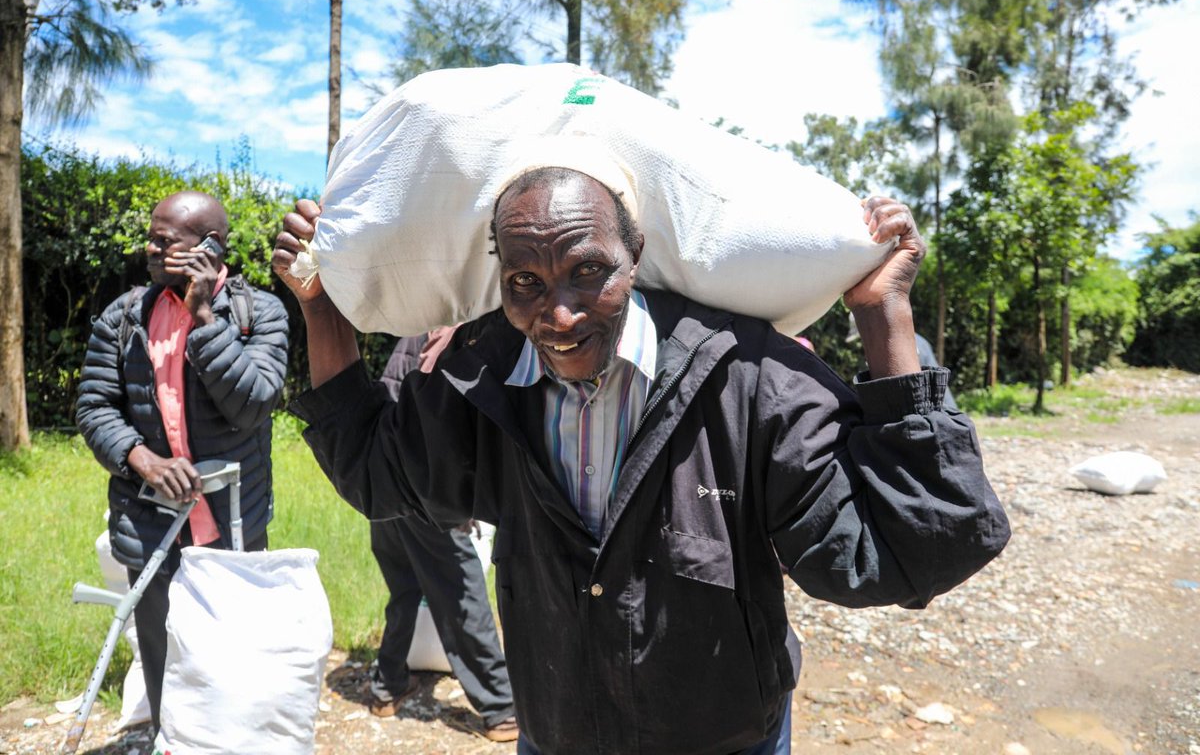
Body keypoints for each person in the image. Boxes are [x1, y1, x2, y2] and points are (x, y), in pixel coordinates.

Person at [275, 167, 1009, 755]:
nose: (557, 315)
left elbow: (902, 551)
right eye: (525, 281)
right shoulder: (483, 379)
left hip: (722, 739)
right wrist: (319, 306)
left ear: (639, 256)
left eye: (588, 271)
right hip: (556, 733)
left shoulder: (747, 380)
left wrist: (885, 316)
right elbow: (375, 470)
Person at [77, 190, 289, 731]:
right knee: (161, 657)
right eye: (150, 236)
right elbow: (94, 406)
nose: (148, 248)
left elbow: (255, 403)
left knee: (232, 658)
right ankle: (170, 739)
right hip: (148, 524)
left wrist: (201, 317)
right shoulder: (123, 316)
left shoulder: (258, 313)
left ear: (210, 246)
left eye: (163, 240)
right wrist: (141, 458)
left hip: (233, 523)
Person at [365, 329, 518, 742]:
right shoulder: (455, 331)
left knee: (405, 588)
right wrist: (460, 500)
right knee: (462, 592)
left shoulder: (417, 326)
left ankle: (388, 686)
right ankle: (501, 708)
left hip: (383, 479)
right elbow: (446, 424)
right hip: (423, 489)